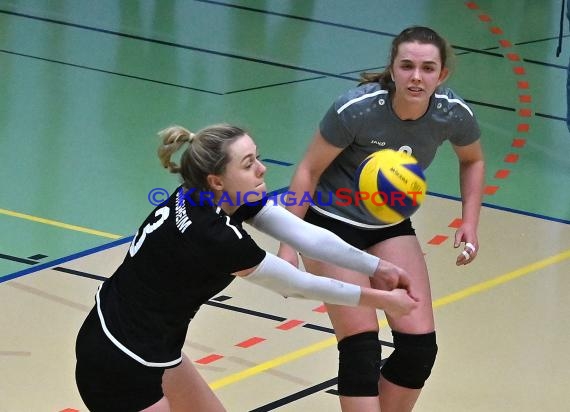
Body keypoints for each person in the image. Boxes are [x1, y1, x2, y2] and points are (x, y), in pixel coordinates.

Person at [74, 123, 420, 412]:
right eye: (248, 163)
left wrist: (377, 265)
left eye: (257, 157)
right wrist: (381, 299)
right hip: (118, 364)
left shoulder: (203, 195)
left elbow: (306, 236)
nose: (261, 168)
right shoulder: (213, 236)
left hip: (149, 348)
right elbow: (295, 285)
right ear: (217, 180)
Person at [278, 26, 484, 412]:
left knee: (419, 349)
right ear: (392, 69)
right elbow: (308, 170)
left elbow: (472, 159)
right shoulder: (356, 109)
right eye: (406, 66)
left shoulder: (451, 113)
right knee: (361, 347)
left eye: (427, 68)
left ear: (443, 75)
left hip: (388, 225)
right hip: (328, 225)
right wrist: (289, 245)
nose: (416, 77)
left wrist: (468, 221)